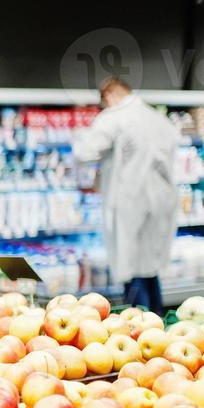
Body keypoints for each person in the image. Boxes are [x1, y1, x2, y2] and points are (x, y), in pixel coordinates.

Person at [72, 76, 180, 313]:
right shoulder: (158, 118)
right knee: (149, 267)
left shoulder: (114, 118)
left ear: (108, 96)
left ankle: (138, 323)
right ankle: (158, 318)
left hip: (129, 200)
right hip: (162, 201)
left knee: (130, 266)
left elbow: (84, 152)